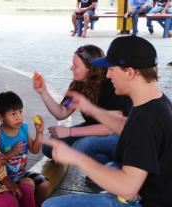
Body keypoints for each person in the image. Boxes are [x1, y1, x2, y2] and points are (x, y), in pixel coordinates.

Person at [42, 35, 172, 207]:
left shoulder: (147, 119)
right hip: (145, 192)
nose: (108, 74)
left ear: (130, 72)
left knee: (51, 206)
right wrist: (91, 108)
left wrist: (76, 157)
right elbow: (127, 127)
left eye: (112, 69)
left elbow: (127, 188)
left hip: (140, 201)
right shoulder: (156, 103)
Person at [33, 45, 131, 165]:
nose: (71, 68)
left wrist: (69, 132)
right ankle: (102, 161)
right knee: (50, 147)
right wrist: (43, 92)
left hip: (119, 134)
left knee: (79, 148)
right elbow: (61, 113)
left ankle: (117, 168)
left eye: (76, 66)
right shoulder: (79, 83)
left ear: (91, 69)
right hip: (93, 128)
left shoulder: (110, 85)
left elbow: (109, 128)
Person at [0, 91, 49, 207]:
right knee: (29, 184)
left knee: (44, 184)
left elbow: (34, 149)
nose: (19, 117)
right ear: (0, 117)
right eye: (13, 114)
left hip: (22, 173)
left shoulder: (23, 129)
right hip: (4, 177)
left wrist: (39, 133)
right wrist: (12, 152)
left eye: (20, 112)